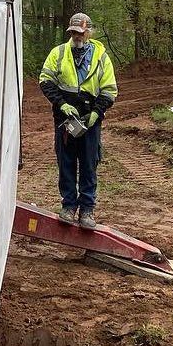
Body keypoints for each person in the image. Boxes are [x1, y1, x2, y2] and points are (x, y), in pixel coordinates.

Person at [38, 12, 117, 229]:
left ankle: (87, 209)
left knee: (89, 165)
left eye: (80, 32)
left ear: (89, 32)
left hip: (90, 120)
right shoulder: (59, 53)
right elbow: (45, 81)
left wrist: (96, 112)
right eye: (73, 32)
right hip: (65, 121)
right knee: (66, 164)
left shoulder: (101, 57)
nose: (77, 36)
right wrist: (61, 104)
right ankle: (69, 206)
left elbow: (109, 90)